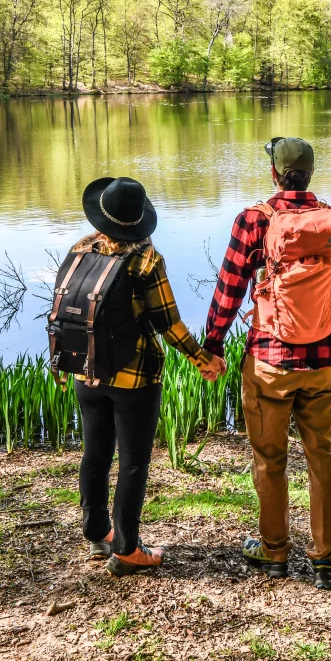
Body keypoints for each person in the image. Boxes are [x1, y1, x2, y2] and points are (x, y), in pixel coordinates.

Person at [203, 137, 331, 589]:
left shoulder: (255, 219)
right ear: (310, 173)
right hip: (323, 360)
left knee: (270, 458)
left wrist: (211, 345)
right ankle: (325, 556)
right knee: (322, 456)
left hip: (270, 362)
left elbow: (230, 289)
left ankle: (274, 552)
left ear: (275, 173)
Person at [66, 177, 225, 576]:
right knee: (134, 463)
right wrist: (202, 359)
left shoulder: (81, 248)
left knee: (95, 454)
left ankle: (97, 534)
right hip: (135, 380)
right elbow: (167, 323)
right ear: (138, 222)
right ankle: (128, 549)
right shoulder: (146, 259)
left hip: (86, 371)